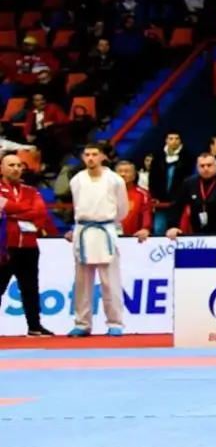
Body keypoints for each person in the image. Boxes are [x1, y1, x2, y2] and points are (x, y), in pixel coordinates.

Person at [66, 143, 129, 337]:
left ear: (102, 157)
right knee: (82, 282)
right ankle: (82, 323)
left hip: (105, 229)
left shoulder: (115, 180)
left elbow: (122, 209)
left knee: (110, 281)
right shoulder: (77, 180)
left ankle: (115, 323)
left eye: (94, 154)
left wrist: (110, 222)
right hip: (83, 230)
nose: (91, 158)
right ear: (83, 158)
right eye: (87, 155)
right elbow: (77, 205)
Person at [0, 152, 54, 336]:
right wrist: (26, 210)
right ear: (1, 168)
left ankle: (34, 326)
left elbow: (39, 213)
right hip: (4, 247)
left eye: (19, 165)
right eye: (11, 165)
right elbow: (30, 210)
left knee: (30, 288)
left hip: (29, 247)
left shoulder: (31, 190)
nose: (16, 169)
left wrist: (10, 212)